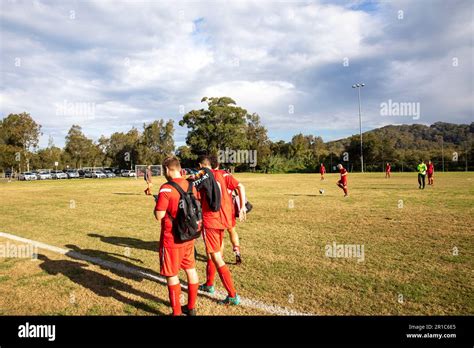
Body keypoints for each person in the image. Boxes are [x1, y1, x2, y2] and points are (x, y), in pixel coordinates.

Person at [193, 155, 245, 305]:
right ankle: (209, 284)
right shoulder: (222, 174)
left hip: (211, 220)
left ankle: (232, 295)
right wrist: (241, 207)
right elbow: (239, 187)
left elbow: (194, 193)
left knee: (216, 256)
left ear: (200, 165)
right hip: (223, 218)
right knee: (213, 253)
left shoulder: (203, 176)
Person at [154, 157, 199, 316]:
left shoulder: (166, 188)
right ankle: (191, 307)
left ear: (167, 169)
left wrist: (157, 204)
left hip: (172, 238)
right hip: (189, 236)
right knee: (191, 270)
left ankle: (177, 312)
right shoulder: (191, 185)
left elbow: (159, 215)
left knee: (172, 274)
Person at [210, 156, 246, 265]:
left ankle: (220, 259)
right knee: (232, 230)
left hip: (215, 211)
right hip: (228, 210)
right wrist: (242, 207)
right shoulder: (225, 174)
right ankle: (237, 250)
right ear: (219, 165)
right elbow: (240, 186)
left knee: (220, 236)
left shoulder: (207, 175)